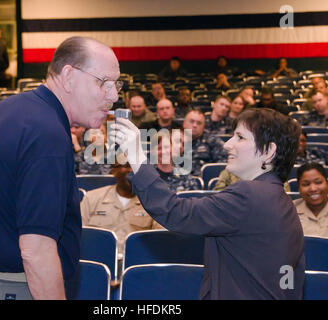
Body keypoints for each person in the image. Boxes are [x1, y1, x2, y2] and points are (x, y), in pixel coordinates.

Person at [0, 36, 121, 300]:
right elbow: (36, 250)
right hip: (13, 288)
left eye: (117, 84)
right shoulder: (47, 133)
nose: (114, 95)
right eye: (104, 83)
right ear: (68, 76)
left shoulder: (9, 110)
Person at [112, 107, 305, 299]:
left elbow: (175, 212)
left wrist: (136, 153)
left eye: (240, 137)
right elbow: (289, 282)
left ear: (269, 151)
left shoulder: (248, 195)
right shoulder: (286, 204)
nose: (227, 144)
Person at [81, 156, 162, 257]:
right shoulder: (92, 198)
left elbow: (159, 241)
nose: (132, 171)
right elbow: (78, 236)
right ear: (114, 171)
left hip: (136, 263)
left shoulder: (153, 203)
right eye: (127, 166)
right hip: (98, 259)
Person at [294, 162, 328, 267]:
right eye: (305, 184)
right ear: (299, 188)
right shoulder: (287, 211)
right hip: (298, 274)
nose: (313, 189)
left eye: (318, 182)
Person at [182, 109, 227, 176]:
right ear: (184, 123)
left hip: (204, 180)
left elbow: (223, 163)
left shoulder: (212, 140)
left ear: (204, 127)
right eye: (191, 121)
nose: (195, 125)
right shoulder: (174, 140)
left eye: (199, 123)